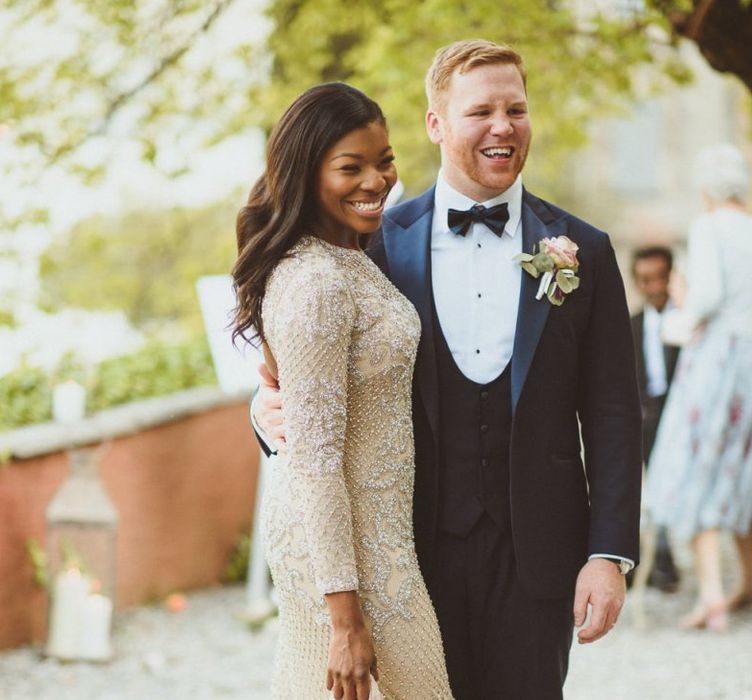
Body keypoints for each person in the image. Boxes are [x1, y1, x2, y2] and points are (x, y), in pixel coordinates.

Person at [253, 40, 642, 699]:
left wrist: (609, 555)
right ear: (436, 123)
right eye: (480, 110)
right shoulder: (371, 244)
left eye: (516, 109)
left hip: (539, 560)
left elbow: (612, 414)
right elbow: (311, 354)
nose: (502, 125)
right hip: (411, 553)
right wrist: (263, 413)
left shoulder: (587, 252)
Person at [231, 82, 454, 699]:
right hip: (347, 555)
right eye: (349, 167)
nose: (376, 180)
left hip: (382, 541)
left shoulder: (348, 257)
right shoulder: (314, 284)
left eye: (383, 160)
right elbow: (317, 461)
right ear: (306, 174)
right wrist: (344, 619)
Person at [645, 143, 752, 631]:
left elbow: (710, 297)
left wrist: (681, 305)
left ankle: (713, 594)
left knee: (695, 462)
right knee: (738, 468)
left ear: (705, 188)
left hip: (719, 359)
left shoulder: (710, 227)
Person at [629, 246, 681, 591]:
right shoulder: (630, 324)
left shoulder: (688, 320)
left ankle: (665, 556)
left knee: (673, 485)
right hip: (645, 413)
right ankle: (644, 558)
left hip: (679, 411)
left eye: (660, 278)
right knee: (640, 486)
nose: (654, 287)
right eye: (645, 280)